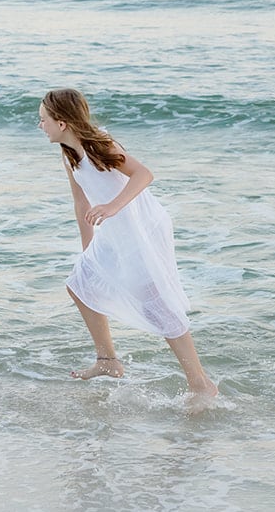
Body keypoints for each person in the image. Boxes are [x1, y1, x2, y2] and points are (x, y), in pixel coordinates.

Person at [37, 88, 218, 402]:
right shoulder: (69, 155)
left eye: (43, 119)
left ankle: (200, 383)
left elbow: (143, 174)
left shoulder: (99, 145)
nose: (40, 125)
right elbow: (81, 203)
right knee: (80, 284)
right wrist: (88, 249)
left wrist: (112, 207)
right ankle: (107, 360)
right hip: (113, 233)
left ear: (62, 123)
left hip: (139, 230)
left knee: (156, 304)